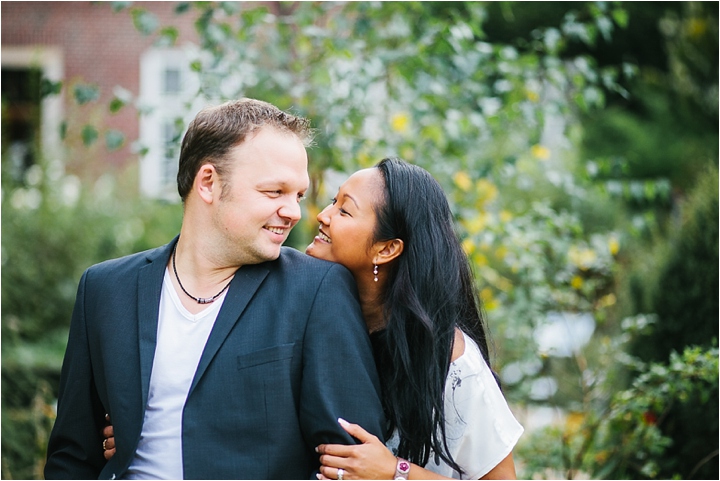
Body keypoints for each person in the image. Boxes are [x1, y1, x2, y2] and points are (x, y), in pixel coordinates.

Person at [105, 157, 524, 479]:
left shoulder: (448, 359)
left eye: (344, 211)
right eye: (331, 201)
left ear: (385, 249)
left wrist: (393, 472)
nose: (320, 215)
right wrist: (149, 431)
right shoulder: (301, 315)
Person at [44, 98, 386, 480]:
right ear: (208, 182)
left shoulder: (316, 289)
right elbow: (72, 456)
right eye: (275, 192)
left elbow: (353, 462)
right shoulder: (105, 290)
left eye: (299, 195)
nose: (294, 212)